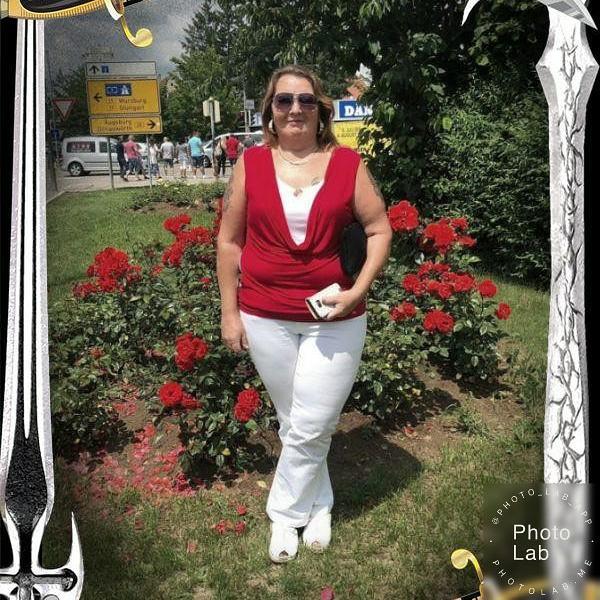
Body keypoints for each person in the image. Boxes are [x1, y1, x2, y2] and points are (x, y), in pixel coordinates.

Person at [216, 65, 392, 563]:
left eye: (306, 100)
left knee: (313, 421)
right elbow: (228, 242)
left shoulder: (348, 164)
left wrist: (358, 290)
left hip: (335, 317)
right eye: (284, 100)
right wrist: (230, 313)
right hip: (264, 315)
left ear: (321, 110)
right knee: (297, 421)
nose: (295, 109)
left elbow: (380, 229)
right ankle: (319, 506)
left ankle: (283, 514)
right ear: (269, 110)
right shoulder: (250, 164)